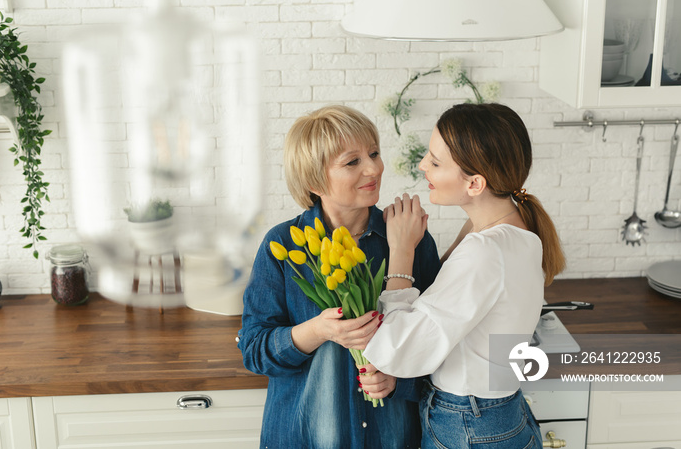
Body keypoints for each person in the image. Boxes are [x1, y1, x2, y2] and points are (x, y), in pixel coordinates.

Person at [360, 103, 566, 449]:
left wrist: (401, 251)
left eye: (436, 162)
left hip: (469, 425)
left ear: (475, 183)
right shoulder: (513, 226)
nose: (423, 165)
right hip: (501, 415)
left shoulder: (485, 250)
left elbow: (398, 349)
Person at [237, 105, 441, 449]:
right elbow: (255, 350)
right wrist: (317, 330)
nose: (374, 168)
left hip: (389, 437)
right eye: (353, 162)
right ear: (315, 179)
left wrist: (397, 378)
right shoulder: (283, 245)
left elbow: (440, 340)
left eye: (374, 153)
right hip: (304, 437)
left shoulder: (409, 239)